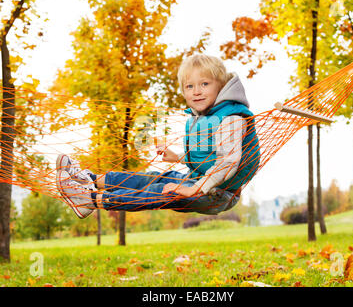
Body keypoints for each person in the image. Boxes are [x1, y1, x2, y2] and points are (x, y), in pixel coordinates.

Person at [56, 54, 260, 219]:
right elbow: (208, 155)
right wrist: (178, 156)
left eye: (204, 84)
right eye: (189, 86)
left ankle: (89, 200)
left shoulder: (232, 117)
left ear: (221, 85)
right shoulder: (207, 115)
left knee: (158, 190)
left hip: (216, 194)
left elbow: (229, 160)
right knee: (154, 177)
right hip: (201, 182)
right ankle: (89, 180)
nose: (196, 92)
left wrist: (195, 189)